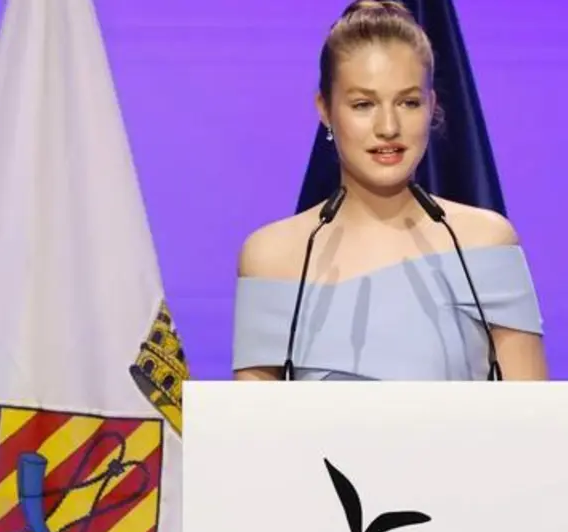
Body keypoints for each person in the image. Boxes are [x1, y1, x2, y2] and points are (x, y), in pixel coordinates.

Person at [232, 0, 548, 381]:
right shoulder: (272, 256)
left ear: (432, 107)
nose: (388, 126)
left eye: (409, 102)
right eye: (363, 104)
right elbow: (253, 431)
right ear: (326, 109)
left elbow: (533, 422)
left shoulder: (486, 242)